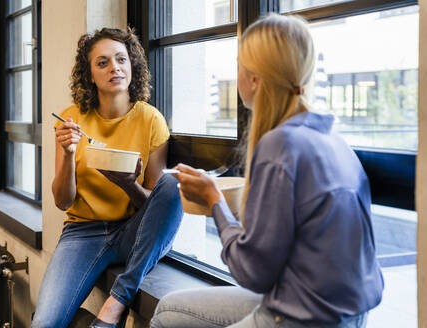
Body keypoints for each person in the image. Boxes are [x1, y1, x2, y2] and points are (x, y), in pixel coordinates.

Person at [150, 14, 383, 328]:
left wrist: (214, 202)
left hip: (302, 317)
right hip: (345, 312)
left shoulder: (279, 145)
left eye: (239, 64)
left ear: (255, 78)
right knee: (168, 310)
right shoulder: (332, 138)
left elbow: (252, 273)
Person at [31, 27, 183, 328]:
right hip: (82, 233)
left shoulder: (150, 118)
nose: (114, 67)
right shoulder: (72, 118)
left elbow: (156, 207)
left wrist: (127, 184)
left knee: (173, 182)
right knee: (44, 323)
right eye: (102, 62)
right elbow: (62, 201)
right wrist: (68, 152)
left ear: (132, 66)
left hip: (132, 231)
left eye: (121, 59)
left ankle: (117, 301)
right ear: (89, 74)